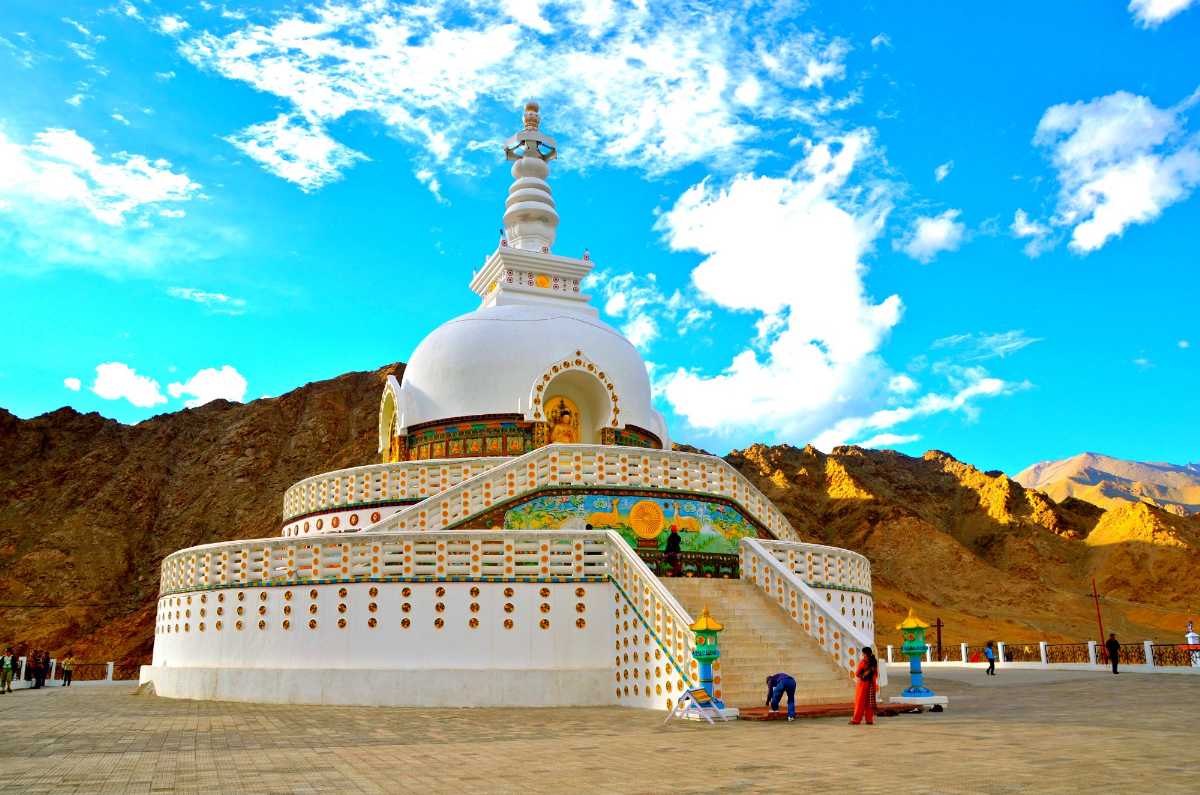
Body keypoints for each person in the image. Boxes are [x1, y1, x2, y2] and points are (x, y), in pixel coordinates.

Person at [849, 647, 879, 725]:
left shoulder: (863, 662)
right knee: (869, 703)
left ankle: (856, 720)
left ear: (865, 654)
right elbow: (876, 674)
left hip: (863, 684)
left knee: (859, 702)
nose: (862, 655)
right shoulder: (874, 662)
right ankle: (869, 720)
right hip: (871, 684)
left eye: (863, 653)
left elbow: (857, 673)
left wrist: (863, 674)